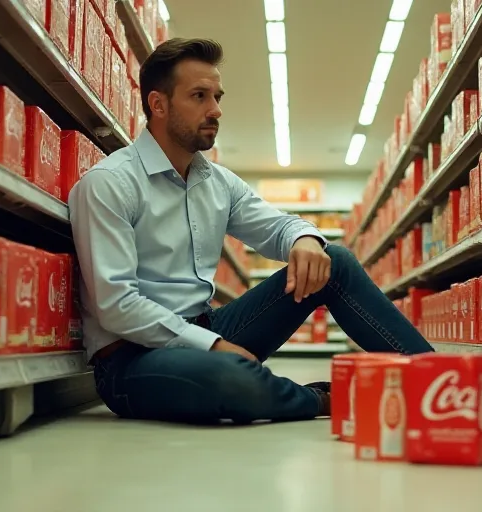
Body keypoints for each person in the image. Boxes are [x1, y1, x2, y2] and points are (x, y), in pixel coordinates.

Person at [69, 38, 433, 425]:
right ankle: (326, 397)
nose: (215, 110)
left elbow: (277, 226)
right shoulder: (109, 184)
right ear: (158, 104)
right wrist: (212, 348)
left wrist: (304, 239)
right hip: (132, 358)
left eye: (217, 96)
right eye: (199, 96)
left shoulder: (217, 182)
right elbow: (117, 306)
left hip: (207, 327)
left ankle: (436, 377)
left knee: (334, 261)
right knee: (227, 379)